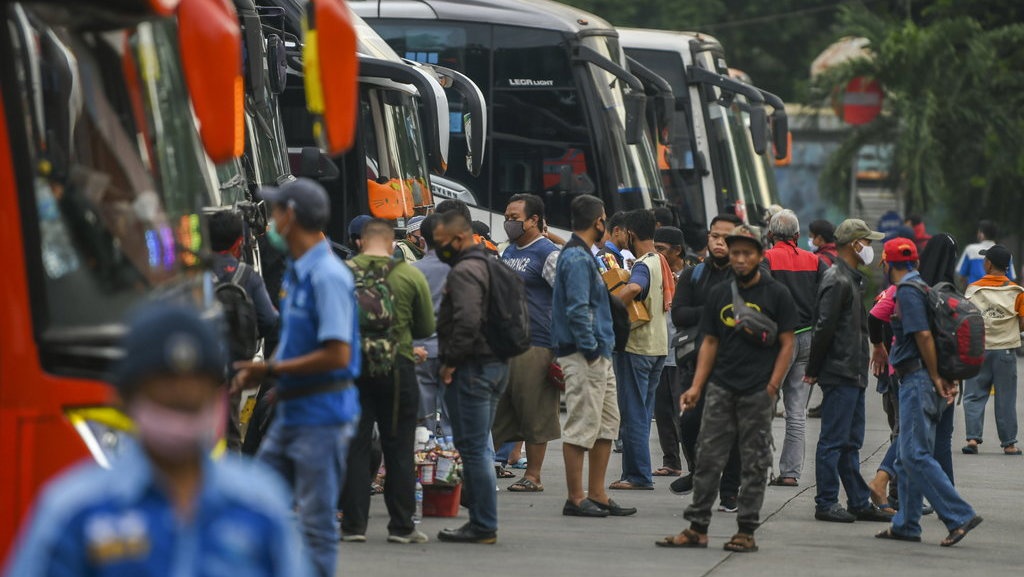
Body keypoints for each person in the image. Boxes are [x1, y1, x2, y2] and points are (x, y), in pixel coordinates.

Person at [4, 304, 311, 577]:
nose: (182, 399)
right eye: (164, 395)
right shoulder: (74, 512)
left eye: (194, 395)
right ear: (123, 398)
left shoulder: (259, 504)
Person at [232, 178, 360, 577]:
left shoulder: (328, 276)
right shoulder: (297, 272)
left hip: (322, 413)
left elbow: (338, 352)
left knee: (317, 522)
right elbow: (293, 339)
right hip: (291, 408)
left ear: (290, 217)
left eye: (275, 212)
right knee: (256, 500)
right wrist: (272, 384)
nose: (270, 221)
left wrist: (269, 370)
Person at [657, 225, 796, 551]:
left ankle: (745, 531)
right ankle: (697, 528)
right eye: (736, 253)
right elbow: (708, 341)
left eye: (747, 253)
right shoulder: (719, 293)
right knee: (707, 459)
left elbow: (788, 344)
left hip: (757, 391)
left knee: (754, 462)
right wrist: (696, 386)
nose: (741, 259)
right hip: (719, 387)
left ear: (760, 256)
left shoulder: (777, 294)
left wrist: (773, 386)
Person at [878, 237, 983, 546]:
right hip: (926, 381)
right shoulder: (924, 287)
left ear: (886, 263)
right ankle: (907, 524)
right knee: (905, 459)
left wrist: (936, 376)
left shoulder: (908, 292)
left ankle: (958, 514)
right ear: (916, 264)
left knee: (914, 453)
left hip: (918, 381)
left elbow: (923, 335)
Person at [340, 219, 435, 544]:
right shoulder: (409, 274)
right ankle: (401, 526)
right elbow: (425, 326)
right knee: (398, 447)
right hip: (398, 367)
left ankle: (353, 526)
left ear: (361, 243)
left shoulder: (342, 272)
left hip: (352, 368)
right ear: (392, 244)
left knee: (356, 444)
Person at [803, 219, 893, 524]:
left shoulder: (851, 279)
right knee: (833, 440)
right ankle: (826, 501)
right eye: (866, 242)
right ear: (854, 244)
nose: (869, 247)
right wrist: (813, 370)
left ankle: (857, 500)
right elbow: (823, 328)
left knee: (851, 441)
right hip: (840, 371)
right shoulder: (836, 280)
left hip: (853, 371)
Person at [552, 194, 635, 518]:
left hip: (598, 351)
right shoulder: (576, 258)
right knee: (582, 424)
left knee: (606, 423)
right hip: (585, 354)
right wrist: (589, 348)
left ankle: (598, 494)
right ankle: (576, 497)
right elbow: (577, 309)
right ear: (599, 222)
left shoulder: (583, 254)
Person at [434, 211, 510, 543]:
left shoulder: (465, 271)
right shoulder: (491, 263)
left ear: (459, 238)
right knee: (479, 445)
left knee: (475, 447)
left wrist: (450, 361)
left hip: (473, 368)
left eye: (441, 243)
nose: (438, 249)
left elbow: (466, 320)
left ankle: (483, 524)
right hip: (495, 363)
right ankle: (482, 521)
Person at [669, 214, 743, 509]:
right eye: (714, 236)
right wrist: (717, 313)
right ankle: (699, 470)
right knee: (689, 423)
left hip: (736, 366)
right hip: (695, 364)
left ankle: (729, 490)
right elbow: (679, 314)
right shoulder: (693, 274)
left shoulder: (748, 275)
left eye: (726, 237)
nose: (719, 242)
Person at [493, 194, 561, 493]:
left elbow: (565, 297)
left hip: (537, 342)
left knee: (535, 410)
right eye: (507, 216)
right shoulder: (506, 252)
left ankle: (533, 475)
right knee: (499, 409)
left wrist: (560, 348)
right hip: (505, 342)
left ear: (534, 220)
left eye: (515, 217)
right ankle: (487, 465)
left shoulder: (548, 253)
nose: (509, 222)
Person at [763, 210, 827, 488]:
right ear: (798, 236)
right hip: (808, 340)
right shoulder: (815, 261)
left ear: (769, 235)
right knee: (797, 411)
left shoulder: (766, 260)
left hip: (778, 342)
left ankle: (761, 469)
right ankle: (790, 473)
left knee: (764, 405)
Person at [609, 209, 670, 491]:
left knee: (632, 412)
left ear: (631, 234)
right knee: (643, 412)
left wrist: (607, 300)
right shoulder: (660, 259)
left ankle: (637, 476)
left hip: (637, 347)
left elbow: (634, 288)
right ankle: (638, 471)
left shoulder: (643, 264)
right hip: (658, 346)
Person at [209, 210, 279, 452]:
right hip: (234, 369)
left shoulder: (192, 274)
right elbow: (270, 320)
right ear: (239, 242)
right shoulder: (248, 276)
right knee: (230, 433)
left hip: (195, 368)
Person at [962, 244, 1024, 456]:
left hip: (979, 349)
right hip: (1005, 350)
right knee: (1005, 397)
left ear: (988, 264)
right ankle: (1009, 444)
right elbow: (1022, 322)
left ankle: (972, 439)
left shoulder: (973, 289)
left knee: (974, 394)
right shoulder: (1018, 292)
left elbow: (966, 319)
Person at [412, 214, 452, 436]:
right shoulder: (462, 267)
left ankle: (423, 467)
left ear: (423, 239)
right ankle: (453, 467)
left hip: (421, 352)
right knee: (453, 420)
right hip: (453, 352)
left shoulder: (413, 270)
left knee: (422, 421)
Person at [652, 226, 687, 477]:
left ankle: (695, 463)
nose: (657, 254)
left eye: (661, 249)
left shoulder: (692, 276)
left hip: (682, 353)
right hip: (658, 351)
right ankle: (671, 461)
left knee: (683, 413)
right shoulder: (653, 272)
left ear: (678, 251)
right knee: (662, 411)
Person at [957, 220, 1017, 285]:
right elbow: (1011, 277)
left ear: (981, 234)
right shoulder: (1005, 253)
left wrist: (968, 290)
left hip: (975, 291)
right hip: (998, 292)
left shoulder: (970, 250)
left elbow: (961, 276)